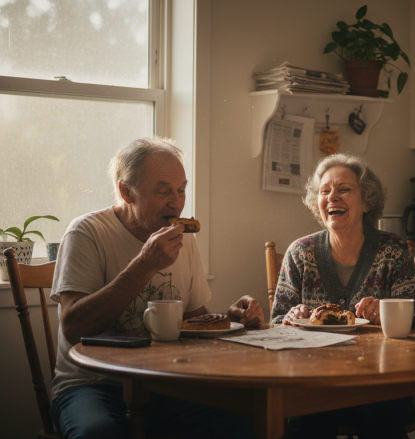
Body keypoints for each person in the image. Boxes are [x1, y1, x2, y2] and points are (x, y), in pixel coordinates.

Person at [49, 137, 264, 439]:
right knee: (100, 434)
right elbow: (73, 328)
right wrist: (145, 265)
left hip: (168, 382)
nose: (176, 202)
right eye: (163, 191)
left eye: (181, 190)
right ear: (127, 192)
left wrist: (227, 318)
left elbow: (193, 318)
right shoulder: (86, 232)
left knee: (248, 421)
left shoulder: (184, 238)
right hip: (94, 384)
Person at [271, 152, 415, 439]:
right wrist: (291, 318)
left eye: (344, 190)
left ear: (366, 201)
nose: (333, 197)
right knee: (305, 423)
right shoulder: (300, 253)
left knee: (383, 419)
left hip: (378, 382)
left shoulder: (392, 250)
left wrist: (386, 310)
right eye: (325, 191)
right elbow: (275, 323)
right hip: (314, 385)